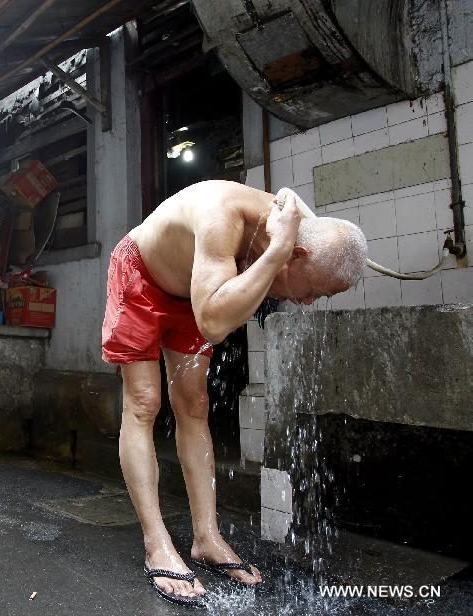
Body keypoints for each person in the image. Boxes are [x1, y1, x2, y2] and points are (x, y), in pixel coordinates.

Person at [102, 180, 366, 606]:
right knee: (145, 402)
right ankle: (157, 543)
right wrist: (276, 253)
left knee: (193, 405)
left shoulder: (298, 226)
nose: (311, 301)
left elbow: (300, 216)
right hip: (142, 277)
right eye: (314, 289)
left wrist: (283, 251)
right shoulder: (222, 216)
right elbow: (213, 324)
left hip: (197, 287)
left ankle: (207, 537)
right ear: (293, 255)